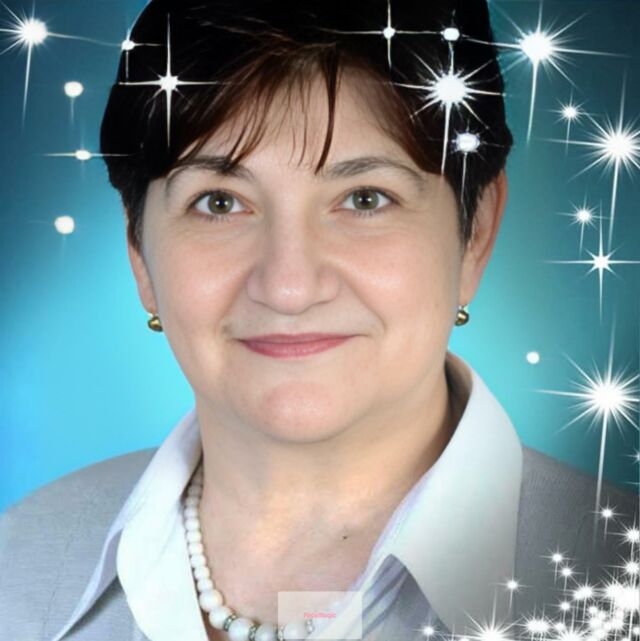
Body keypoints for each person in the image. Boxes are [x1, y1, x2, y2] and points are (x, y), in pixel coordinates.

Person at [0, 1, 636, 640]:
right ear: (139, 250)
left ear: (475, 232)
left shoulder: (617, 585)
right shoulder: (18, 561)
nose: (289, 287)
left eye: (365, 198)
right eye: (219, 203)